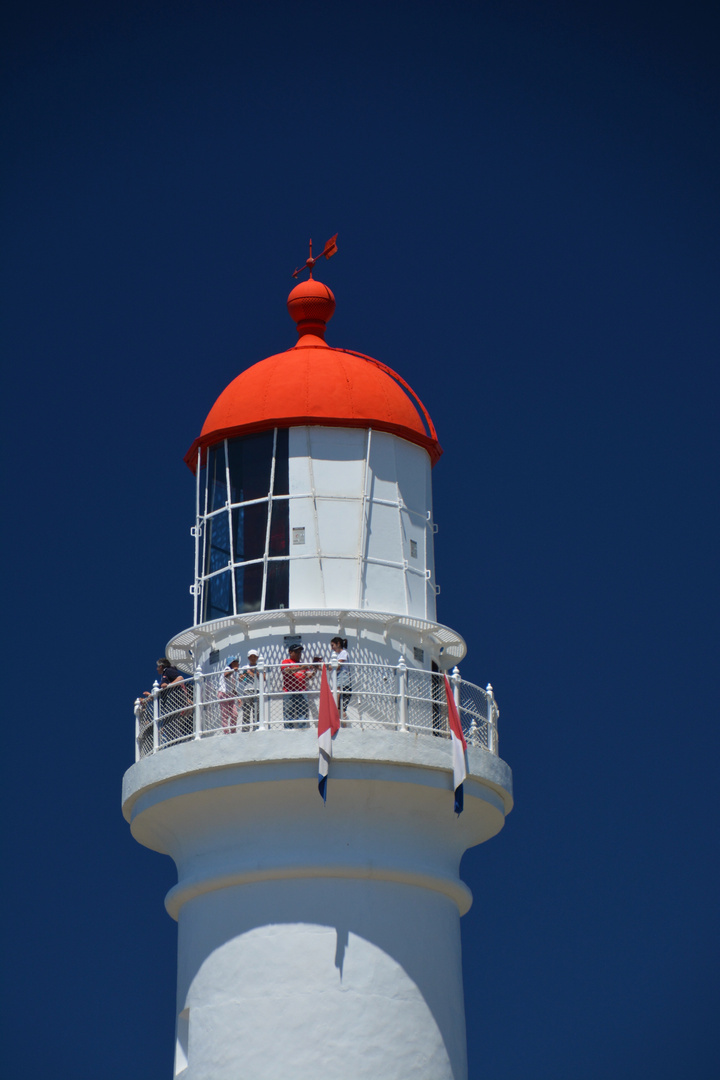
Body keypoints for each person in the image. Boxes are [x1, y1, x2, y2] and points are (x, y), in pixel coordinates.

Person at [281, 644, 316, 728]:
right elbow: (287, 671)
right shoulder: (286, 662)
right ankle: (288, 733)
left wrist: (315, 669)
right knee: (288, 715)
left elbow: (309, 676)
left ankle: (303, 733)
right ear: (290, 652)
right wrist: (301, 668)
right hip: (289, 692)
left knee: (303, 714)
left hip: (301, 692)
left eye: (300, 652)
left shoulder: (302, 664)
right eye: (296, 652)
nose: (299, 654)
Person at [239, 649, 262, 730]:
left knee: (257, 712)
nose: (252, 658)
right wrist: (246, 673)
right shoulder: (245, 668)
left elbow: (264, 678)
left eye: (254, 657)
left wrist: (254, 672)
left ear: (257, 657)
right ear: (248, 658)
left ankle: (257, 728)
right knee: (246, 712)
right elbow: (240, 679)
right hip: (247, 691)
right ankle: (245, 729)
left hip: (258, 690)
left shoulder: (260, 666)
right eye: (251, 657)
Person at [330, 636, 351, 721]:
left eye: (333, 645)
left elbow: (338, 666)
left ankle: (342, 723)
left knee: (339, 703)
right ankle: (341, 723)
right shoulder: (341, 654)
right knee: (340, 706)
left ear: (338, 644)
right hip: (342, 678)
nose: (332, 648)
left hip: (343, 677)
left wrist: (328, 666)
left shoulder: (343, 653)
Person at [219, 656, 240, 734]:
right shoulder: (227, 669)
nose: (238, 664)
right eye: (237, 662)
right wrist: (233, 670)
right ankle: (226, 732)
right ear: (232, 663)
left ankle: (233, 731)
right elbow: (226, 674)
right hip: (223, 694)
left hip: (230, 695)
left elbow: (233, 688)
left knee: (235, 714)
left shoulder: (233, 675)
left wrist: (238, 697)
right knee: (225, 715)